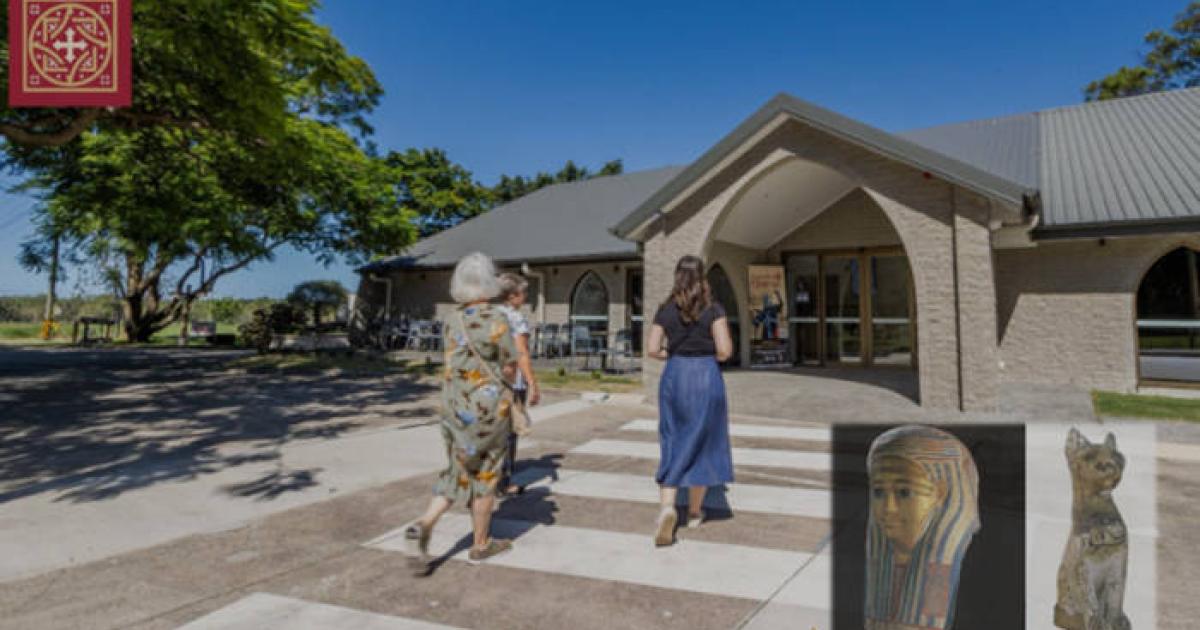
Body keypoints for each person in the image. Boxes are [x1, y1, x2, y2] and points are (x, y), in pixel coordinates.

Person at [403, 252, 520, 574]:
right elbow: (510, 365)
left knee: (458, 466)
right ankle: (481, 544)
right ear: (489, 281)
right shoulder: (497, 318)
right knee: (484, 472)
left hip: (453, 404)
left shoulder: (452, 319)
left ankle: (425, 522)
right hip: (487, 407)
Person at [645, 255, 735, 546]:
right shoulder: (714, 309)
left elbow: (651, 349)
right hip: (706, 375)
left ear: (676, 276)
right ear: (701, 277)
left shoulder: (664, 310)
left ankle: (667, 507)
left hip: (675, 374)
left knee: (672, 438)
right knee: (703, 442)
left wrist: (671, 355)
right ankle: (695, 512)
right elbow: (725, 350)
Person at [495, 272, 542, 496]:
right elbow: (521, 352)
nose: (525, 297)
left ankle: (488, 478)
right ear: (512, 295)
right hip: (513, 382)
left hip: (492, 380)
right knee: (511, 431)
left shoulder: (492, 315)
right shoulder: (515, 318)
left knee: (493, 432)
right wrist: (532, 383)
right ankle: (504, 481)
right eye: (523, 293)